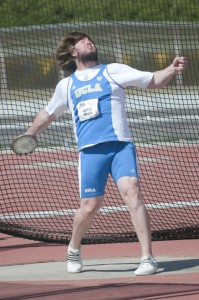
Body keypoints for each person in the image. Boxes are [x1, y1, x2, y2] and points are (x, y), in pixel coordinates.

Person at [25, 32, 187, 276]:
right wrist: (30, 134)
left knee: (132, 192)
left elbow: (153, 80)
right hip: (90, 152)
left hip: (121, 146)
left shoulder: (113, 70)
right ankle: (74, 247)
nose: (90, 41)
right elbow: (48, 114)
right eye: (83, 41)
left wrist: (171, 69)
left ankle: (148, 258)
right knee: (90, 206)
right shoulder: (66, 85)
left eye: (91, 39)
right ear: (74, 52)